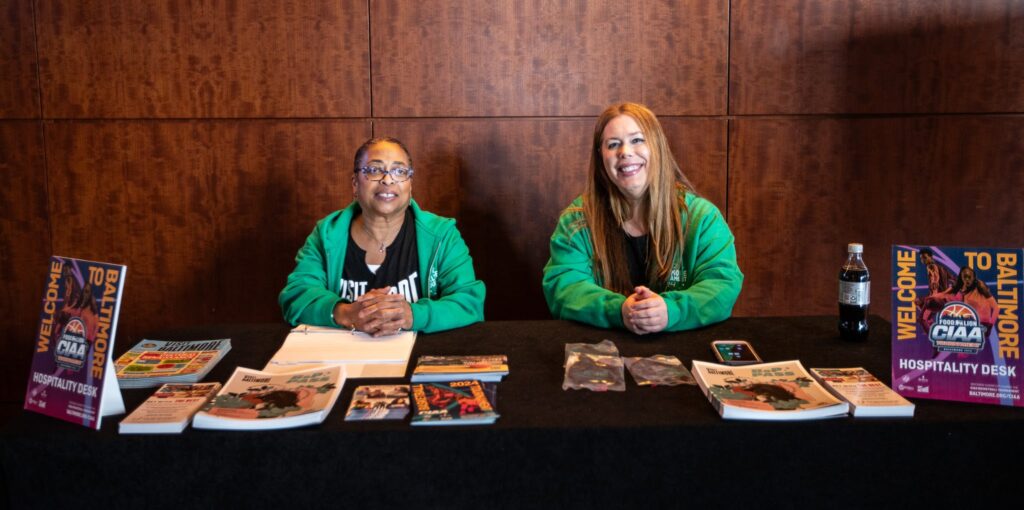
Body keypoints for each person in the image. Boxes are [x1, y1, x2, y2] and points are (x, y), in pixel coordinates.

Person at [542, 102, 743, 334]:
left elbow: (723, 285)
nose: (625, 152)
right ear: (601, 158)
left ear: (658, 147)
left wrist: (670, 310)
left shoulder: (703, 218)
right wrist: (619, 310)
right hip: (602, 349)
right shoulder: (577, 221)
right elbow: (564, 288)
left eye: (637, 140)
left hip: (682, 347)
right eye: (613, 144)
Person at [279, 137, 485, 336]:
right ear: (355, 183)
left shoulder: (441, 235)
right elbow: (296, 295)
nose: (387, 180)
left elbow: (469, 302)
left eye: (399, 171)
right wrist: (346, 313)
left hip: (419, 354)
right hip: (342, 355)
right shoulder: (326, 234)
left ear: (410, 184)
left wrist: (412, 315)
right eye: (374, 170)